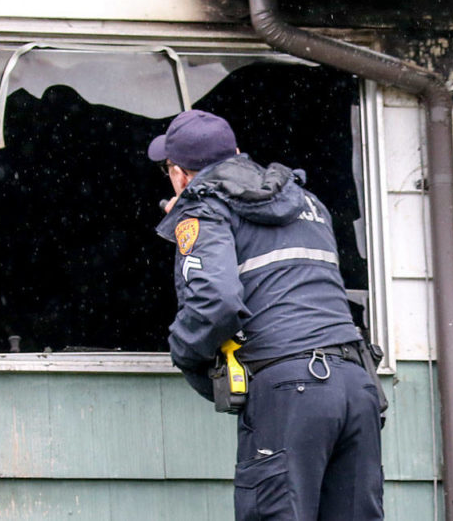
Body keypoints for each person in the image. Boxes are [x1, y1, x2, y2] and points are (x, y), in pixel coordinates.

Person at [148, 109, 383, 521]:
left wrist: (185, 354)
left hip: (292, 390)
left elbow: (214, 302)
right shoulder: (308, 201)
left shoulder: (203, 210)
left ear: (180, 174)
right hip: (356, 385)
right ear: (237, 153)